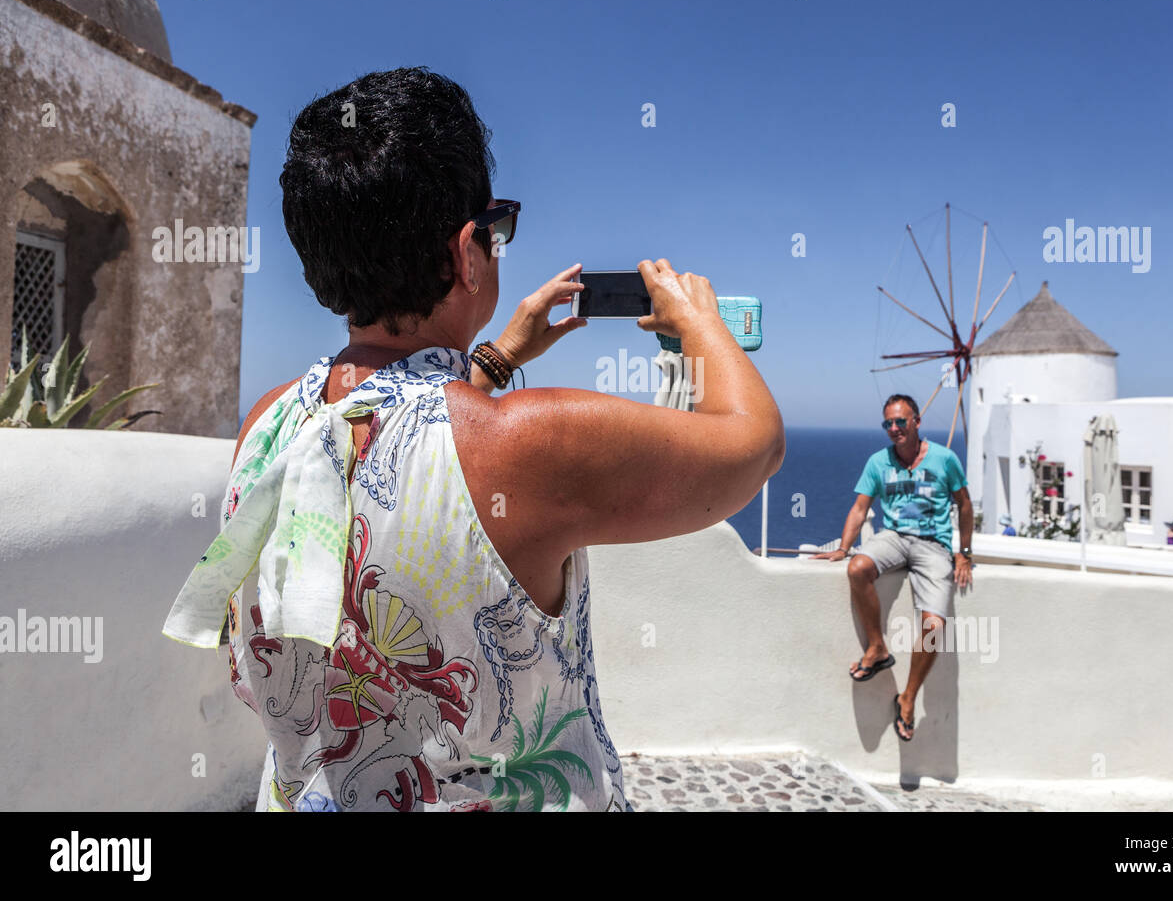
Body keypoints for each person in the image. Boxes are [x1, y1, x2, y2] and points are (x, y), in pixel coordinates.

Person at [161, 67, 785, 811]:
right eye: (496, 228)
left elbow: (395, 441)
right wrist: (700, 323)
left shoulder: (267, 427)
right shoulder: (527, 444)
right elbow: (752, 445)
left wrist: (494, 360)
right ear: (467, 251)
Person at [812, 394, 972, 742]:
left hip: (934, 546)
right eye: (889, 423)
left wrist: (964, 553)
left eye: (901, 421)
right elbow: (859, 508)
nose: (895, 429)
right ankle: (877, 648)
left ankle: (908, 697)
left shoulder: (945, 459)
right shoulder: (878, 462)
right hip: (895, 537)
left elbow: (964, 505)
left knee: (934, 626)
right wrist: (842, 547)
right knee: (857, 568)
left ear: (916, 421)